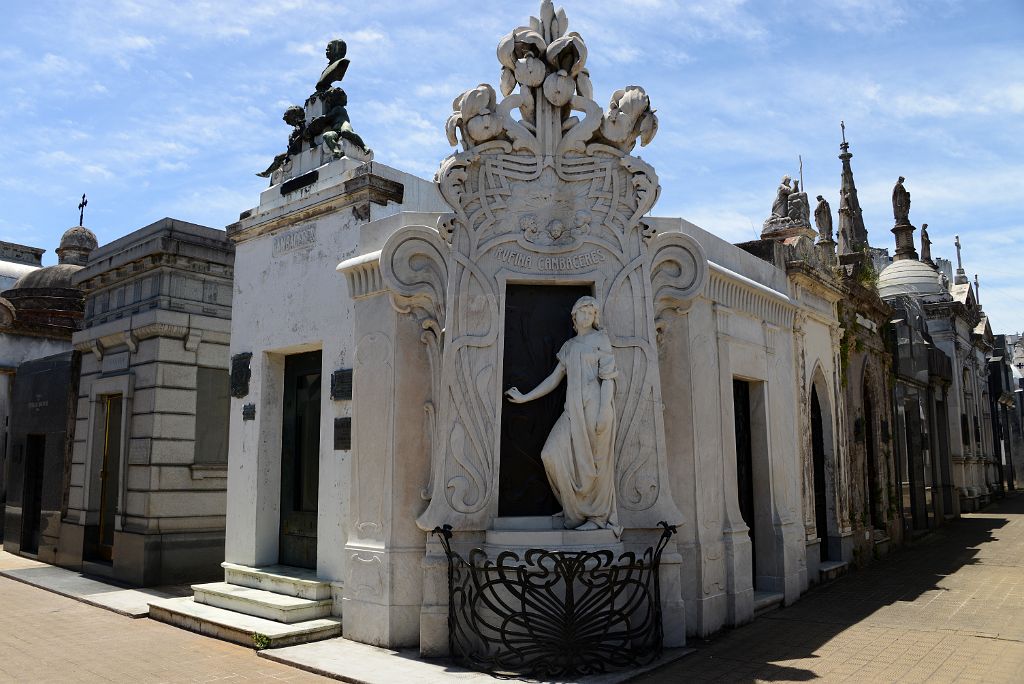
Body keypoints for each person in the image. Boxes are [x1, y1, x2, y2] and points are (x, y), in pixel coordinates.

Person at [505, 296, 621, 535]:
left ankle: (597, 517)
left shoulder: (601, 340)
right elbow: (553, 379)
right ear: (574, 316)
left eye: (591, 313)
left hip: (594, 406)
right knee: (551, 454)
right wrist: (525, 397)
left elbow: (608, 379)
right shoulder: (569, 347)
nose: (587, 316)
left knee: (595, 466)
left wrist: (602, 412)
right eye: (583, 312)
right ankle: (574, 509)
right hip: (573, 410)